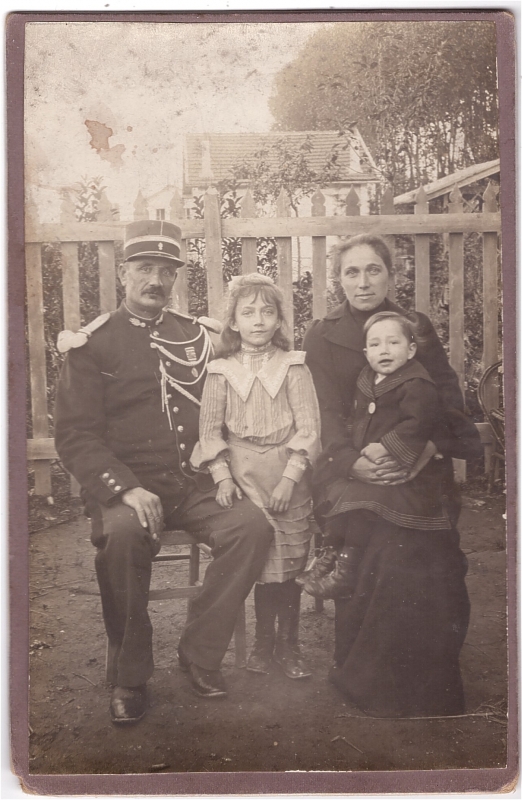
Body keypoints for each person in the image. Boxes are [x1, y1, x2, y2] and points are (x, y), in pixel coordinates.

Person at [54, 221, 273, 725]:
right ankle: (130, 677)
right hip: (124, 488)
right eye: (144, 269)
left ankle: (199, 654)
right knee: (124, 539)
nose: (155, 280)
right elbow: (75, 436)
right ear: (125, 273)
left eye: (165, 271)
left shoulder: (197, 336)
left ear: (176, 277)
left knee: (251, 527)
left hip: (193, 482)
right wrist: (126, 488)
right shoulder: (93, 343)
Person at [303, 234, 482, 718]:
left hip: (417, 464)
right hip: (348, 466)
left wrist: (426, 448)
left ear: (390, 274)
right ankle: (368, 681)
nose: (364, 282)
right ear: (339, 280)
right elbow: (324, 413)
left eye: (373, 271)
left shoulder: (415, 327)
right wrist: (350, 460)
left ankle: (427, 687)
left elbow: (445, 399)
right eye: (352, 273)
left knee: (425, 547)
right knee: (382, 540)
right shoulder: (322, 334)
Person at [191, 274, 321, 680]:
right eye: (248, 312)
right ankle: (264, 645)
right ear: (232, 321)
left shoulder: (294, 367)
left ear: (280, 318)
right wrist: (223, 477)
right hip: (244, 476)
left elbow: (309, 428)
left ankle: (290, 645)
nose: (259, 320)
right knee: (263, 560)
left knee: (291, 560)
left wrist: (290, 478)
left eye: (268, 311)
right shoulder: (221, 372)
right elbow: (210, 433)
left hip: (287, 475)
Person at [302, 311, 454, 599]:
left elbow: (419, 423)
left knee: (362, 506)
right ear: (366, 353)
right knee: (339, 495)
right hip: (367, 462)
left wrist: (386, 446)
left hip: (400, 464)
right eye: (375, 345)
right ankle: (329, 555)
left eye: (393, 343)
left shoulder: (416, 384)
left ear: (411, 350)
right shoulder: (368, 378)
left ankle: (346, 571)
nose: (384, 351)